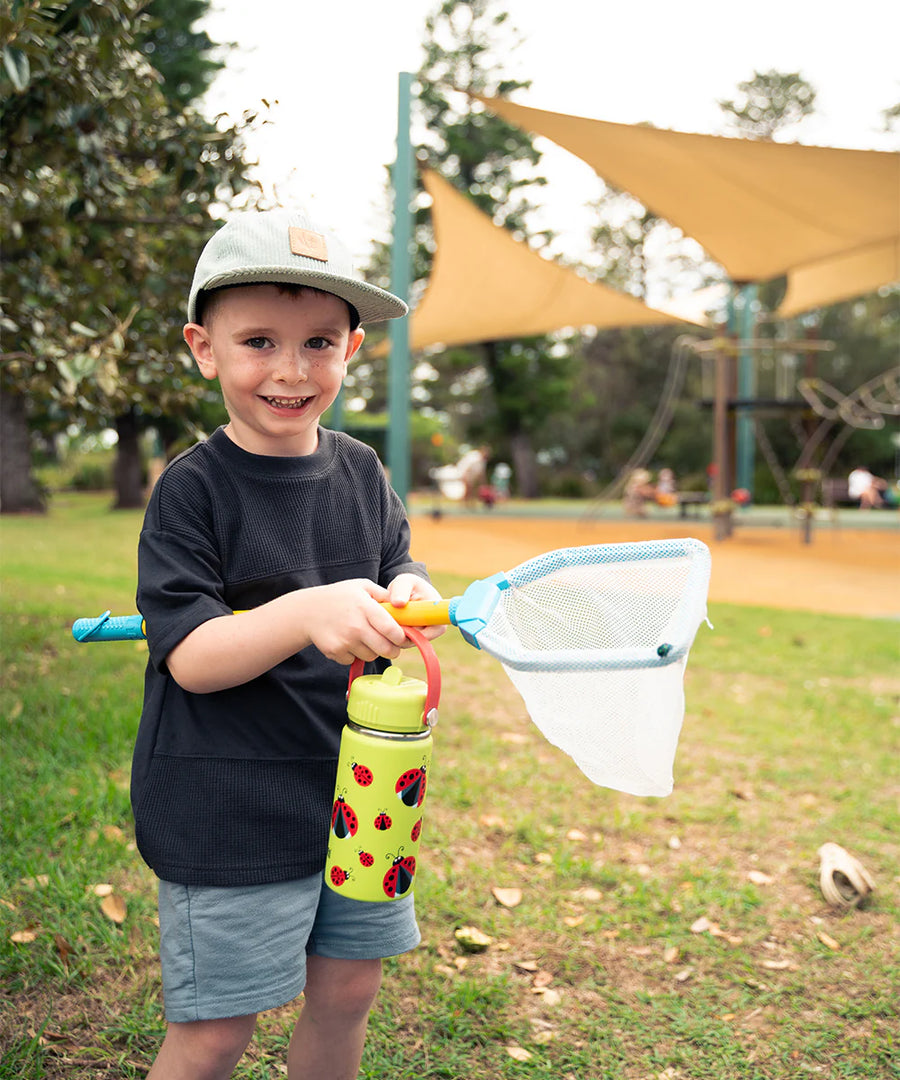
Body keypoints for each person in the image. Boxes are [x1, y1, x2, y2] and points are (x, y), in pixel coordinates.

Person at [133, 208, 444, 1080]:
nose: (291, 370)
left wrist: (410, 589)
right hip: (227, 805)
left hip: (360, 787)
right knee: (218, 1030)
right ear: (204, 347)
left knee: (346, 994)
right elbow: (191, 657)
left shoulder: (360, 471)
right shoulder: (192, 492)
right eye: (259, 341)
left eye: (319, 343)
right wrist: (307, 611)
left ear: (352, 351)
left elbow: (394, 565)